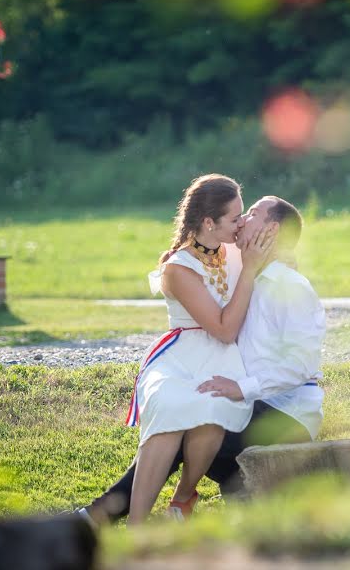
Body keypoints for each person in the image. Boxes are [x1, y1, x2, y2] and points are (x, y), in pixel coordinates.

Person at [78, 195, 326, 525]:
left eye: (250, 214)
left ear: (272, 229)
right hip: (247, 400)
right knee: (180, 410)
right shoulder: (243, 269)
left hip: (284, 413)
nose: (241, 221)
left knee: (190, 421)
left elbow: (302, 364)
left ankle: (107, 513)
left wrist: (242, 387)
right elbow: (203, 251)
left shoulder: (290, 287)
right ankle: (125, 511)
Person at [124, 174, 276, 525]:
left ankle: (182, 497)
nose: (241, 225)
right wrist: (250, 270)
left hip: (223, 359)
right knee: (168, 412)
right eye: (235, 218)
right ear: (209, 222)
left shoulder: (236, 249)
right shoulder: (179, 267)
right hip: (181, 356)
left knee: (211, 410)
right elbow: (223, 329)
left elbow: (280, 250)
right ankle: (136, 526)